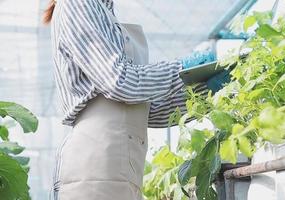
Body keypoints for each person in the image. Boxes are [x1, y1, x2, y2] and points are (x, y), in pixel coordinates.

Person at [44, 0, 228, 199]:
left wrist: (206, 91)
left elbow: (149, 111)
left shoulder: (104, 10)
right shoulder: (78, 3)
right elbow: (119, 81)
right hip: (96, 163)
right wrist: (180, 69)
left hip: (121, 165)